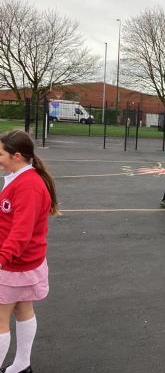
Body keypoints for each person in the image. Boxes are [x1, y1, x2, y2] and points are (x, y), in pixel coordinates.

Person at [0, 130, 59, 373]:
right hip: (23, 264)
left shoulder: (28, 186)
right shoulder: (19, 178)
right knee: (23, 309)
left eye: (0, 154)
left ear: (16, 156)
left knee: (1, 320)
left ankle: (21, 364)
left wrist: (1, 259)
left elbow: (21, 233)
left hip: (14, 266)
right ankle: (22, 365)